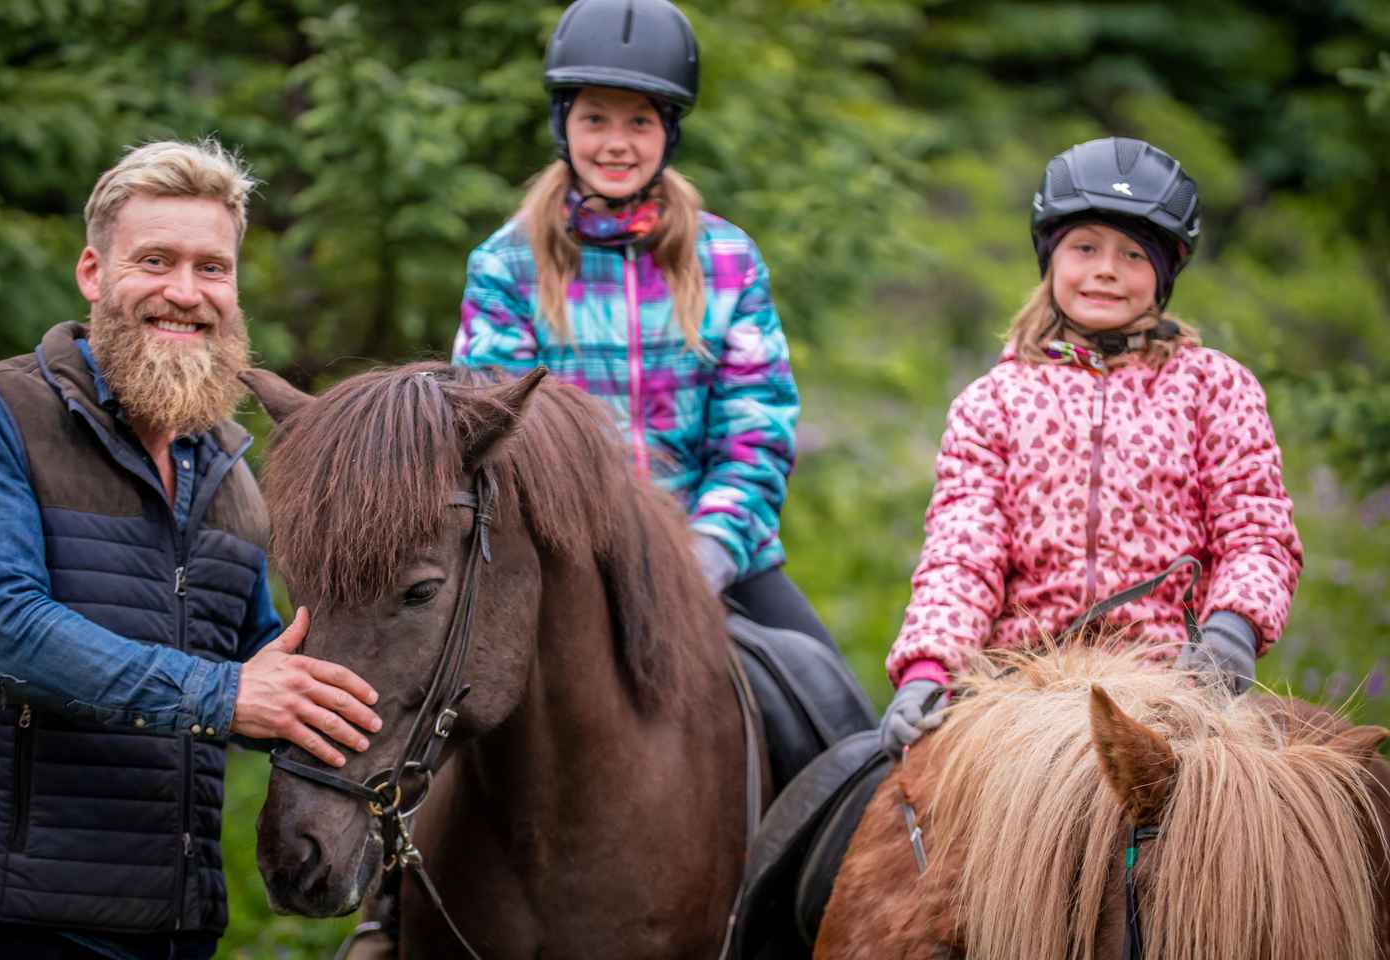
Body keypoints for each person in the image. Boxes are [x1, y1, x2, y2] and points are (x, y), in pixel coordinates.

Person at [0, 139, 382, 959]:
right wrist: (224, 696)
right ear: (93, 272)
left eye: (212, 269)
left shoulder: (225, 468)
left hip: (175, 924)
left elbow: (260, 662)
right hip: (8, 920)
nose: (185, 294)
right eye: (156, 260)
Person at [879, 137, 1304, 756]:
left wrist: (1232, 631)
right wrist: (928, 670)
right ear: (1051, 260)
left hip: (1176, 687)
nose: (1106, 268)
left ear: (1163, 273)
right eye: (1085, 247)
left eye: (1133, 254)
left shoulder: (1217, 389)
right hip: (1018, 689)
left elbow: (1257, 531)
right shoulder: (991, 402)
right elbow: (961, 557)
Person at [453, 0, 831, 646]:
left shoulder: (729, 261)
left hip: (711, 551)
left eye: (639, 121)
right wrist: (574, 551)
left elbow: (756, 431)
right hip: (559, 558)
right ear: (563, 123)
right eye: (595, 118)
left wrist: (706, 552)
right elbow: (498, 431)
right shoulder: (505, 265)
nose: (616, 143)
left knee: (836, 705)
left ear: (669, 133)